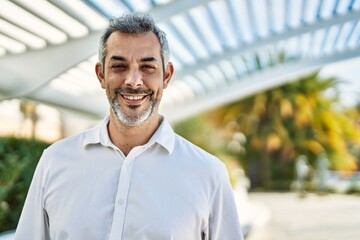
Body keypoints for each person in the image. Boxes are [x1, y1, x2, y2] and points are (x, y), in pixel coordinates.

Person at [14, 13, 244, 240]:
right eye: (119, 66)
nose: (133, 81)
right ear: (101, 74)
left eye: (147, 67)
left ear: (166, 75)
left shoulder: (209, 174)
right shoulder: (54, 162)